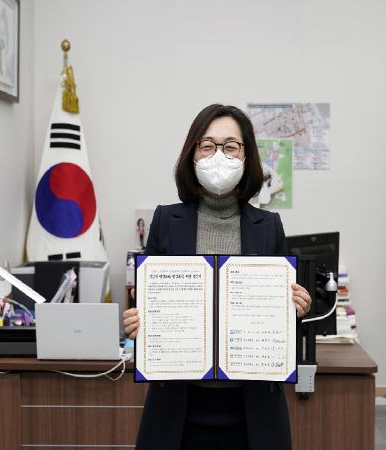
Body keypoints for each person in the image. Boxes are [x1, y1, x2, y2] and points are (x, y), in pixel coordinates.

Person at [123, 104, 312, 450]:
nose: (219, 156)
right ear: (192, 154)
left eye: (230, 146)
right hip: (177, 407)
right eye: (207, 145)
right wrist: (138, 321)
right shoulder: (165, 221)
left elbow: (280, 321)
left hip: (252, 409)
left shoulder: (269, 226)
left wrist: (295, 309)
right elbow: (148, 308)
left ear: (246, 156)